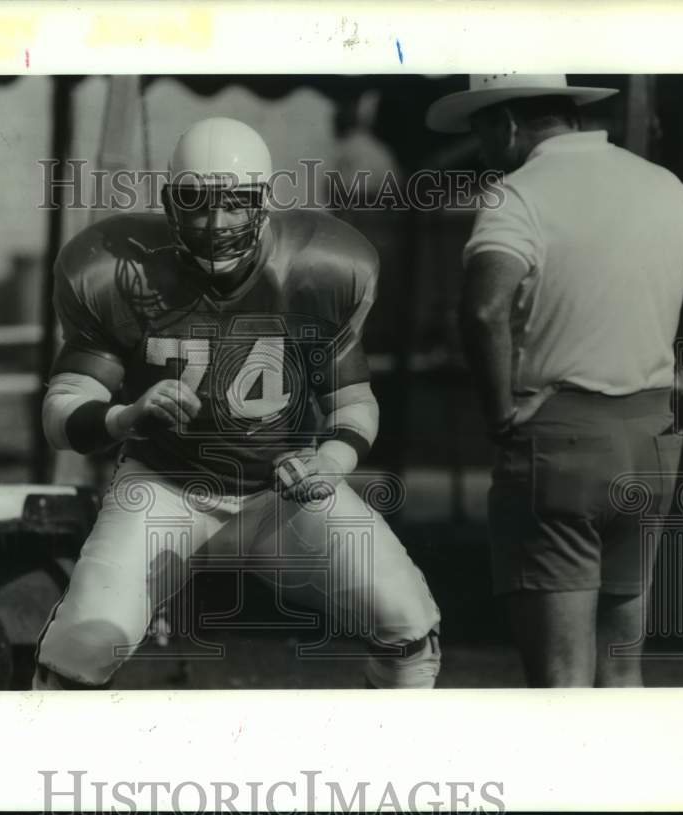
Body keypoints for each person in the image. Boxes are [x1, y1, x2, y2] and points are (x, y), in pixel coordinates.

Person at [33, 117, 441, 690]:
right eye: (196, 203)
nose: (216, 222)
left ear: (263, 202)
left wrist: (329, 463)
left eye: (235, 202)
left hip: (282, 495)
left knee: (408, 625)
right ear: (170, 202)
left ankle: (386, 743)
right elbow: (62, 412)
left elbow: (354, 405)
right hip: (165, 488)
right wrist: (126, 416)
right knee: (82, 647)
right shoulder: (114, 270)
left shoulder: (320, 267)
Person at [427, 75, 683, 687]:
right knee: (622, 670)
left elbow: (483, 310)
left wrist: (499, 414)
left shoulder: (516, 196)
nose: (482, 150)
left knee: (561, 679)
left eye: (481, 132)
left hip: (557, 441)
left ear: (506, 125)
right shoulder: (661, 184)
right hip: (650, 438)